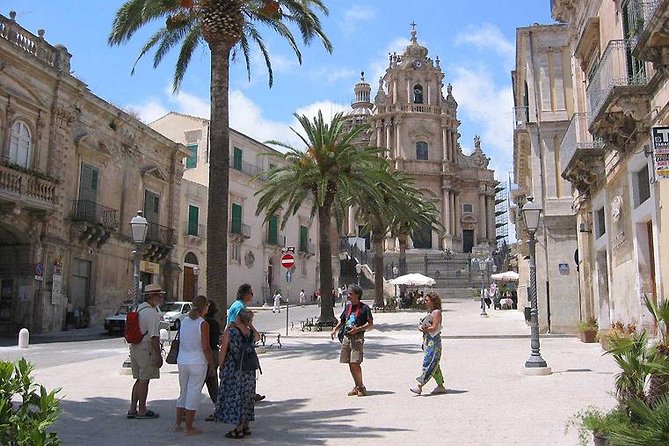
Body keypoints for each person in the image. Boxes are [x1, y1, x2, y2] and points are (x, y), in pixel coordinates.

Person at [215, 309, 259, 438]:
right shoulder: (250, 332)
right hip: (248, 369)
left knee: (236, 397)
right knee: (247, 396)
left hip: (233, 369)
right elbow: (258, 337)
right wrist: (250, 325)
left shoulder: (231, 332)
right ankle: (245, 425)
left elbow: (223, 350)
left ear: (238, 318)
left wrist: (220, 365)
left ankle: (238, 429)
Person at [174, 295, 214, 435]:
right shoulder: (202, 324)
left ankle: (178, 423)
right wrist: (211, 364)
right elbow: (206, 347)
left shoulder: (184, 321)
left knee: (183, 391)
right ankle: (189, 427)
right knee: (193, 393)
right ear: (205, 306)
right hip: (197, 361)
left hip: (182, 360)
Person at [127, 283, 164, 419]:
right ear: (153, 296)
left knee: (138, 379)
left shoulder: (138, 308)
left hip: (135, 347)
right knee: (144, 380)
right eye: (159, 295)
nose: (161, 298)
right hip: (146, 348)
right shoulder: (152, 313)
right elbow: (154, 337)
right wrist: (158, 355)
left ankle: (132, 408)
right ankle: (142, 409)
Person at [330, 285, 373, 397]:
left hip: (357, 339)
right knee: (350, 362)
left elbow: (370, 324)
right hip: (347, 338)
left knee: (355, 362)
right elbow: (343, 320)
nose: (348, 295)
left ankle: (361, 387)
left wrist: (357, 329)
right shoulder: (348, 307)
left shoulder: (364, 308)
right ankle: (357, 386)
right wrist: (335, 329)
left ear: (357, 295)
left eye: (350, 293)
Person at [225, 284, 265, 402]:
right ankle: (247, 395)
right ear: (245, 294)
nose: (252, 295)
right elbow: (234, 322)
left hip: (238, 340)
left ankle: (251, 393)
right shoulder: (239, 307)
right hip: (237, 342)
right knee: (242, 368)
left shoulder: (239, 305)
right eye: (251, 293)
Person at [410, 292, 446, 395]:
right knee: (435, 365)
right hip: (428, 341)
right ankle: (440, 385)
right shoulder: (430, 312)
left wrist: (424, 329)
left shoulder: (436, 313)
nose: (425, 302)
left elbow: (434, 327)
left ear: (433, 301)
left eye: (427, 300)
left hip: (434, 343)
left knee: (428, 363)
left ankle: (419, 386)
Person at [203, 300, 221, 420]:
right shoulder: (215, 322)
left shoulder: (204, 323)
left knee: (198, 382)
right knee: (212, 383)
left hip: (206, 353)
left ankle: (185, 409)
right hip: (215, 353)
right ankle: (219, 407)